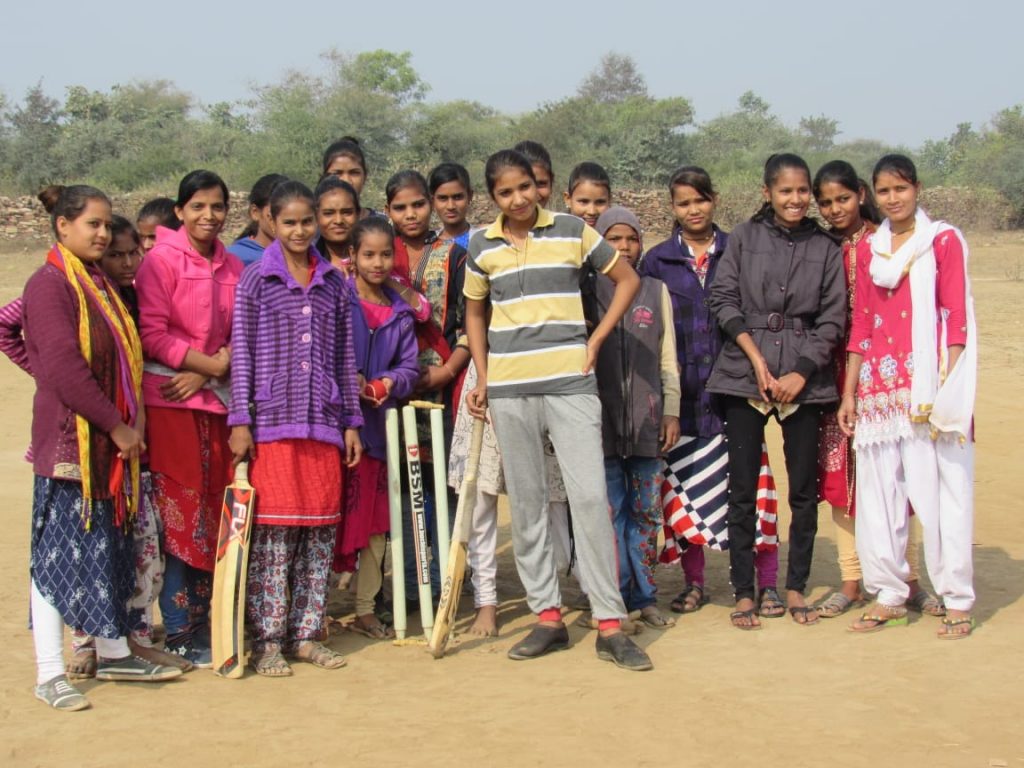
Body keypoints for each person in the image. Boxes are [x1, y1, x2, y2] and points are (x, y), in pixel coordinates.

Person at [464, 149, 651, 670]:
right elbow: (474, 312)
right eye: (506, 192)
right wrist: (484, 374)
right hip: (511, 391)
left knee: (589, 498)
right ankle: (548, 618)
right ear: (493, 197)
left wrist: (595, 340)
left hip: (571, 385)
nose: (519, 198)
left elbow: (628, 281)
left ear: (538, 186)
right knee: (526, 504)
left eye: (526, 187)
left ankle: (610, 624)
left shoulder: (572, 229)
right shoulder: (481, 244)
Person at [23, 185, 182, 711]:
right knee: (56, 560)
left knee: (103, 551)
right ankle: (50, 672)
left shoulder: (96, 283)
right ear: (62, 226)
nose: (101, 233)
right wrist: (115, 424)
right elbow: (66, 366)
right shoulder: (50, 284)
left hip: (103, 447)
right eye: (92, 224)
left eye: (106, 223)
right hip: (74, 444)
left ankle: (115, 653)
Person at [839, 154, 977, 638]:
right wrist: (849, 393)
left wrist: (948, 387)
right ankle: (890, 593)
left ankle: (956, 598)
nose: (893, 198)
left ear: (917, 189)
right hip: (878, 389)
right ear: (872, 195)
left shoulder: (941, 242)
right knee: (880, 497)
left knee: (942, 496)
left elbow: (955, 315)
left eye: (900, 189)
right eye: (884, 191)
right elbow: (860, 324)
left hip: (926, 390)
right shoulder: (867, 250)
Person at [706, 153, 846, 630]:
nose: (795, 199)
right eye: (785, 191)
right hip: (745, 373)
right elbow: (723, 299)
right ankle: (744, 592)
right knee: (742, 489)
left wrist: (802, 373)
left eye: (802, 191)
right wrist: (757, 359)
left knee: (803, 492)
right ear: (767, 192)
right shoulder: (743, 238)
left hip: (805, 379)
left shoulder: (826, 247)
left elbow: (833, 318)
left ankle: (795, 587)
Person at [229, 180, 363, 675]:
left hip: (324, 425)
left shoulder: (334, 283)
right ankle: (267, 639)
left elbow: (344, 356)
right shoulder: (254, 280)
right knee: (274, 540)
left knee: (319, 537)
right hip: (272, 424)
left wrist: (351, 420)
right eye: (290, 222)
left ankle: (307, 634)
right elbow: (241, 352)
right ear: (271, 222)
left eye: (308, 221)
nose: (301, 230)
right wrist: (240, 419)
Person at [641, 167, 782, 618]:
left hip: (736, 395)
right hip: (682, 400)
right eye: (683, 203)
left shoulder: (738, 250)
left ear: (714, 199)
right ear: (673, 208)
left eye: (700, 200)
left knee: (754, 493)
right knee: (683, 498)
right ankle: (695, 582)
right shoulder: (657, 261)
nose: (693, 209)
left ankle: (769, 584)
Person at [811, 160, 940, 620]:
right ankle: (851, 577)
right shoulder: (817, 246)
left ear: (861, 194)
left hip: (887, 371)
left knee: (901, 476)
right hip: (834, 374)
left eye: (842, 198)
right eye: (824, 202)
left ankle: (908, 577)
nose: (834, 209)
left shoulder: (887, 244)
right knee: (842, 477)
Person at [135, 170, 243, 666]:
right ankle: (178, 628)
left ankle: (206, 622)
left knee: (215, 513)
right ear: (179, 212)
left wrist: (210, 371)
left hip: (215, 400)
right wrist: (208, 365)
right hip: (170, 404)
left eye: (217, 206)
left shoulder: (233, 266)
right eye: (198, 206)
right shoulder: (160, 261)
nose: (209, 216)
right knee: (181, 517)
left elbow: (241, 332)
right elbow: (152, 334)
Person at [586, 206, 680, 629]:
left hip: (647, 421)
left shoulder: (655, 290)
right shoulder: (587, 290)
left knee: (645, 513)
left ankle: (646, 597)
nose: (623, 247)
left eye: (632, 239)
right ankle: (614, 599)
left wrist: (671, 411)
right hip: (599, 424)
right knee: (609, 513)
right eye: (615, 239)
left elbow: (667, 360)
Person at [385, 169, 470, 604]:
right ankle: (410, 582)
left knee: (445, 485)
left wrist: (448, 371)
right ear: (387, 211)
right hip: (394, 390)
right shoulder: (380, 254)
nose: (411, 214)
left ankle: (448, 580)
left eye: (418, 204)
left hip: (443, 386)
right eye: (400, 207)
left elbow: (470, 321)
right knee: (404, 486)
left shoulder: (454, 254)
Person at [337, 218, 420, 639]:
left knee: (375, 524)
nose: (377, 262)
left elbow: (410, 367)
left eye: (385, 254)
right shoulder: (336, 299)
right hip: (334, 429)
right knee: (328, 518)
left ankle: (366, 607)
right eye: (368, 254)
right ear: (351, 255)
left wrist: (383, 384)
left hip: (378, 431)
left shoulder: (401, 313)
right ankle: (312, 608)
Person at [227, 174, 288, 265]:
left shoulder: (305, 258)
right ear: (255, 212)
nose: (283, 220)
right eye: (275, 213)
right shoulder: (233, 259)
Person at [321, 136, 381, 218]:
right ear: (325, 178)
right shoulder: (310, 225)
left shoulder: (383, 224)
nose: (347, 181)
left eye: (354, 173)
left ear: (365, 176)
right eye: (337, 173)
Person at [429, 162, 475, 250]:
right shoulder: (427, 244)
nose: (451, 206)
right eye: (443, 198)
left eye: (457, 197)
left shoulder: (483, 240)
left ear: (469, 196)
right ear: (432, 200)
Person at [563, 162, 611, 228]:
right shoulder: (553, 236)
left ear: (609, 200)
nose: (592, 212)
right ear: (568, 199)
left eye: (600, 202)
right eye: (584, 201)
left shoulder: (617, 235)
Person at [513, 140, 555, 209]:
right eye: (525, 186)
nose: (533, 194)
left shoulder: (564, 219)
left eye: (541, 184)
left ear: (551, 183)